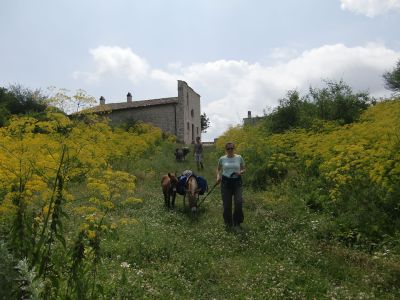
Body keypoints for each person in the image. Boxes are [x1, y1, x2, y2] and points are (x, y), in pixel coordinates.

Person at [216, 142, 245, 229]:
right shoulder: (222, 158)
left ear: (234, 148)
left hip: (237, 182)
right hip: (226, 182)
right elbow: (218, 169)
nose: (230, 150)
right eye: (228, 149)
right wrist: (218, 176)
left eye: (232, 148)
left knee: (238, 202)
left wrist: (240, 172)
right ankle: (228, 223)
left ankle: (237, 222)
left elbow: (244, 168)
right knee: (227, 205)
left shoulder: (239, 157)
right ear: (226, 150)